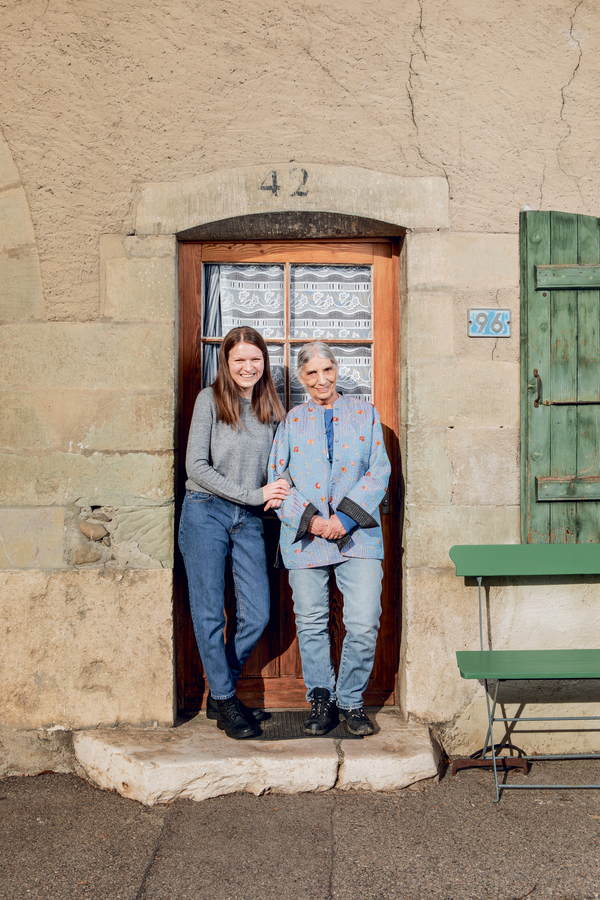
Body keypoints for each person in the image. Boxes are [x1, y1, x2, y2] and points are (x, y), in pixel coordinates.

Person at [269, 341, 391, 736]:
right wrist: (315, 522)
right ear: (302, 379)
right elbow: (278, 481)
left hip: (358, 537)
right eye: (311, 373)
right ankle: (322, 700)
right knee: (312, 621)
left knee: (362, 621)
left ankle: (352, 701)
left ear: (337, 370)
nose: (321, 380)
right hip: (305, 537)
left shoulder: (365, 413)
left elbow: (379, 471)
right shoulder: (291, 421)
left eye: (327, 370)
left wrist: (344, 519)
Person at [178, 326, 290, 739]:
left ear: (264, 362)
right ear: (226, 363)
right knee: (209, 613)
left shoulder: (271, 409)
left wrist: (282, 488)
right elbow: (196, 467)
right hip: (205, 512)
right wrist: (253, 493)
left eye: (255, 359)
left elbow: (280, 466)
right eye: (239, 360)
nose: (247, 367)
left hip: (249, 520)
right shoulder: (209, 400)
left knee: (257, 613)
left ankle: (220, 691)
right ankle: (224, 700)